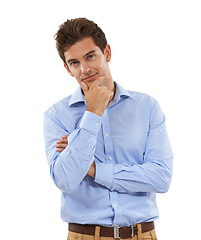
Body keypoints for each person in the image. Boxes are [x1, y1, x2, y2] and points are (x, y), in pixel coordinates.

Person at [43, 17, 173, 240]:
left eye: (90, 56)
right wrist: (92, 114)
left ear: (107, 53)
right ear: (67, 68)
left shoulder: (147, 108)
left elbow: (161, 177)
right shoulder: (56, 116)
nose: (84, 69)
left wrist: (94, 169)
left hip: (142, 234)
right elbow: (65, 180)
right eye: (74, 63)